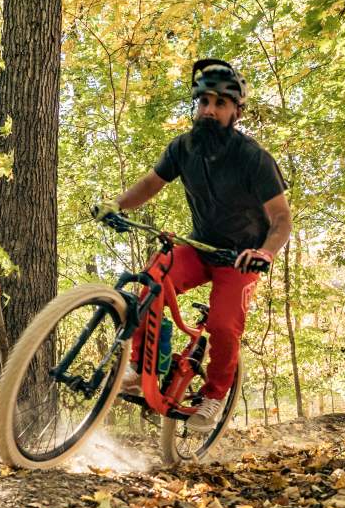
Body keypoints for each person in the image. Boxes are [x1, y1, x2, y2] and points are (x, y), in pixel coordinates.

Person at [93, 58, 292, 432]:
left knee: (222, 325)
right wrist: (116, 204)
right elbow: (150, 184)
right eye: (204, 102)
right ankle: (143, 366)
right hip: (199, 248)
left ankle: (215, 396)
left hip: (240, 260)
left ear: (235, 111)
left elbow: (282, 220)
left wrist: (264, 253)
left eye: (220, 104)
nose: (209, 111)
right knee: (151, 280)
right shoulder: (183, 148)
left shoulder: (254, 158)